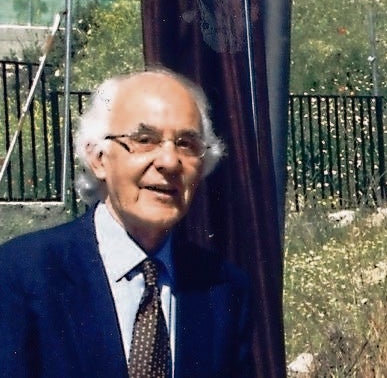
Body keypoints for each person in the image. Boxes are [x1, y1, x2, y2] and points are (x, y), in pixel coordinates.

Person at [0, 68, 253, 378]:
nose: (169, 162)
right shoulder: (22, 275)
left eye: (186, 144)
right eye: (145, 140)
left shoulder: (223, 289)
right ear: (98, 158)